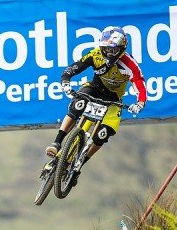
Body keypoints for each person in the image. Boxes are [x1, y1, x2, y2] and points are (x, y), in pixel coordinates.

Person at [45, 27, 147, 174]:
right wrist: (66, 81)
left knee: (103, 134)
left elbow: (139, 82)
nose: (109, 53)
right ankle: (57, 142)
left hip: (113, 99)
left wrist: (140, 102)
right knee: (77, 105)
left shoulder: (129, 64)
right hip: (94, 88)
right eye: (106, 49)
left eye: (113, 50)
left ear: (122, 49)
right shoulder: (95, 54)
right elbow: (75, 67)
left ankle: (79, 166)